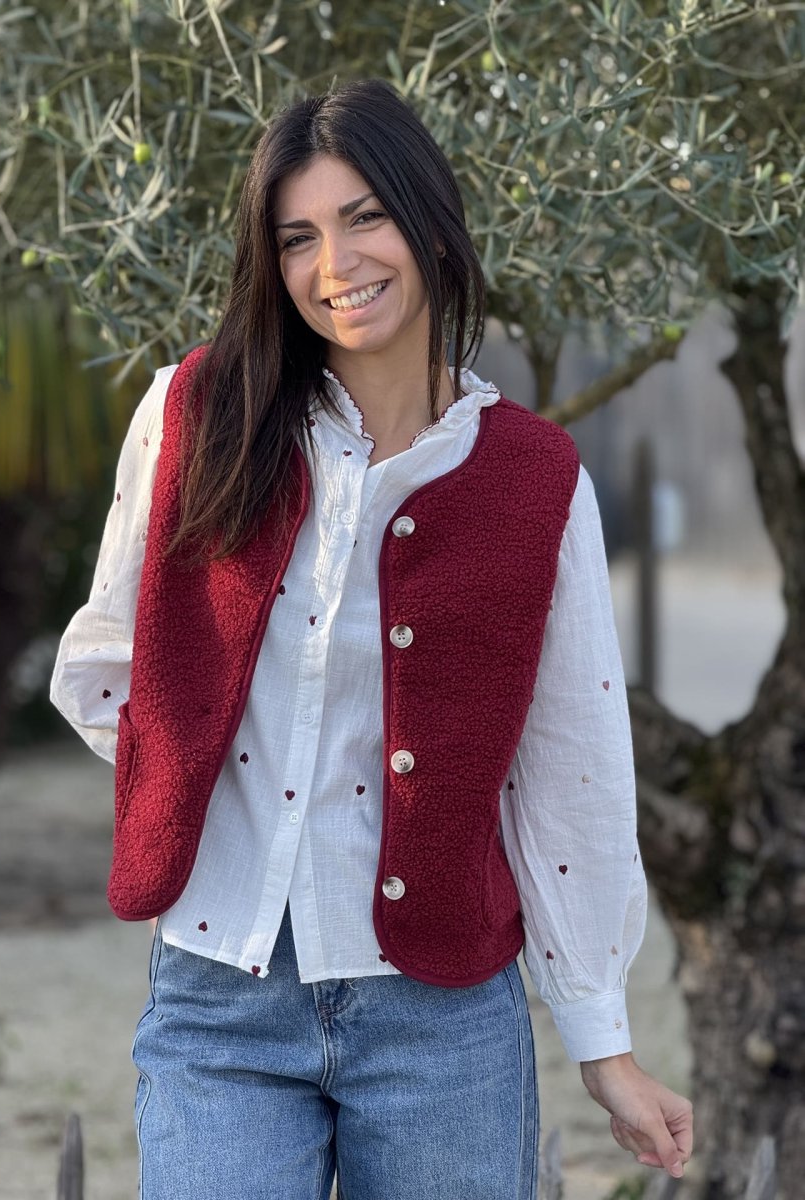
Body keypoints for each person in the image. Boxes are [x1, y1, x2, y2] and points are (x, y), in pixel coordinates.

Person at [50, 77, 693, 1200]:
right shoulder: (194, 416)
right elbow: (103, 665)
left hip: (442, 1020)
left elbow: (571, 767)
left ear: (430, 223)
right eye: (297, 238)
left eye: (364, 219)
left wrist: (605, 1043)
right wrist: (197, 778)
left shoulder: (536, 481)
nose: (334, 265)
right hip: (220, 1002)